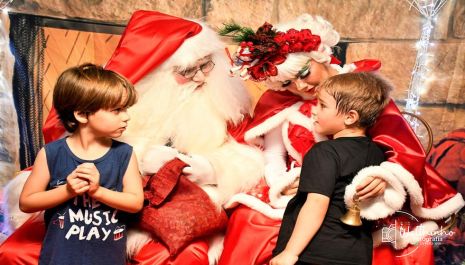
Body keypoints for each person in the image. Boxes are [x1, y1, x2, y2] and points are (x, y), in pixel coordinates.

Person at [0, 10, 264, 265]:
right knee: (21, 251)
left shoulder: (227, 103)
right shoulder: (117, 118)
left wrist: (212, 169)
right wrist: (141, 158)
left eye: (206, 65)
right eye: (186, 71)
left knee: (180, 255)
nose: (200, 77)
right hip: (95, 217)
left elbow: (245, 153)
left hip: (183, 206)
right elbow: (46, 184)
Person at [220, 14, 464, 265]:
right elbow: (273, 155)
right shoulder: (280, 105)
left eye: (304, 73)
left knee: (380, 236)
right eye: (287, 83)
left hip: (355, 191)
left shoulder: (359, 91)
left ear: (319, 55)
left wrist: (384, 177)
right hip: (302, 186)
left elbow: (398, 145)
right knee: (248, 221)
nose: (301, 87)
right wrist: (281, 183)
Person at [18, 63, 144, 265]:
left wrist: (97, 191)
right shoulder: (52, 153)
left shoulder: (124, 154)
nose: (126, 117)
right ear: (82, 114)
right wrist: (67, 191)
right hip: (58, 259)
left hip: (107, 259)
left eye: (126, 109)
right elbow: (26, 202)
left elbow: (135, 203)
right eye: (117, 110)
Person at [270, 72, 390, 265]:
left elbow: (316, 203)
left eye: (322, 105)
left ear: (350, 117)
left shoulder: (324, 151)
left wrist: (290, 252)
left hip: (315, 254)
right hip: (357, 254)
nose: (314, 111)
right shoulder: (377, 152)